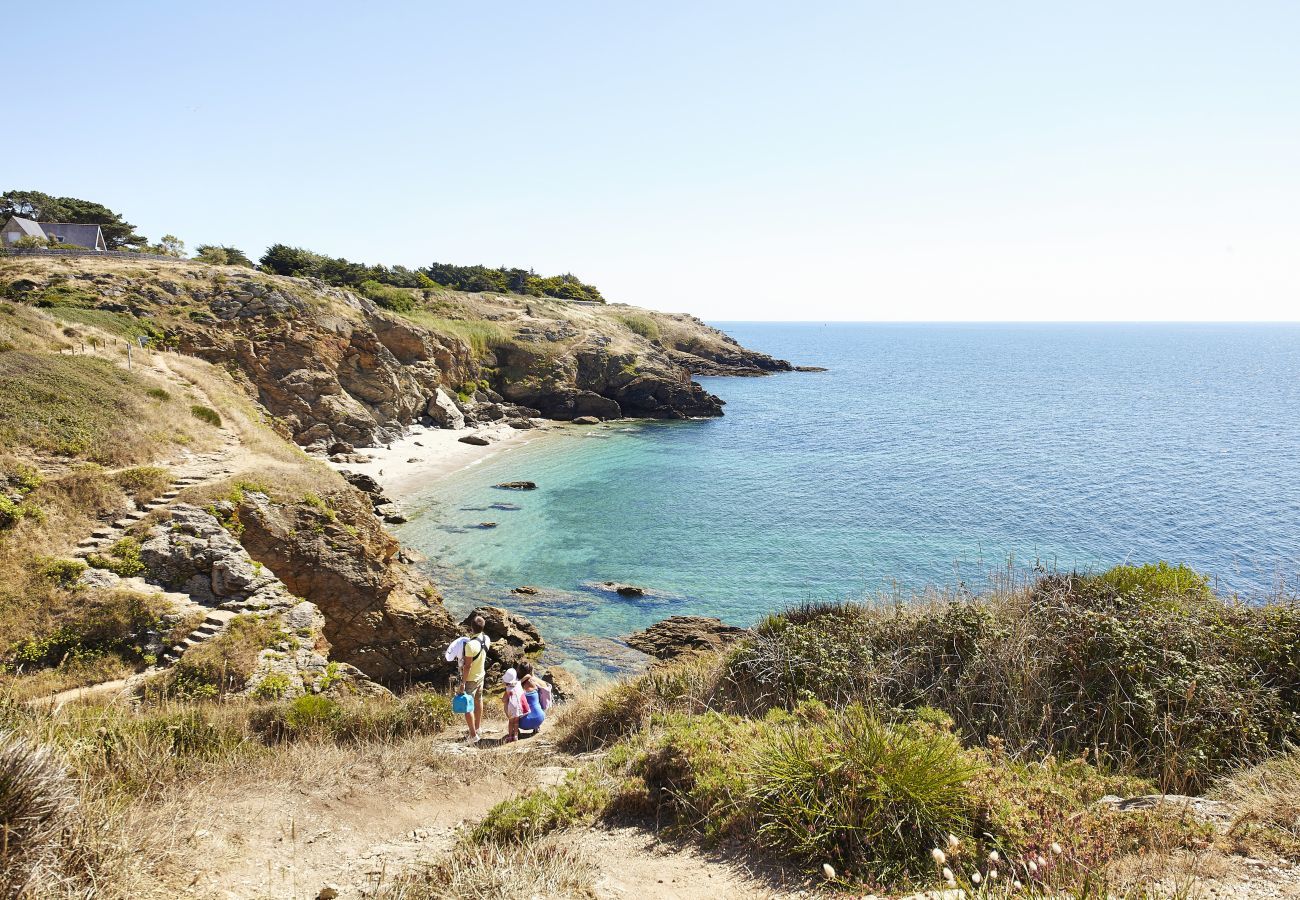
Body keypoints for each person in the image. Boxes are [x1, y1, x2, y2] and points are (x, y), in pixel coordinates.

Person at [444, 616, 491, 742]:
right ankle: (478, 727)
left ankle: (473, 735)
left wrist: (463, 683)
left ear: (471, 627)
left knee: (467, 706)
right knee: (478, 700)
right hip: (481, 675)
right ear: (483, 626)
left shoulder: (470, 645)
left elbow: (468, 666)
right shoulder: (487, 639)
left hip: (470, 679)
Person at [517, 662, 547, 735]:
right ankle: (536, 727)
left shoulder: (516, 686)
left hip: (523, 724)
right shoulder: (536, 682)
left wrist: (523, 679)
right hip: (540, 718)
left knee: (510, 705)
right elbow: (546, 687)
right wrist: (532, 676)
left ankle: (515, 731)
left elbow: (512, 687)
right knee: (537, 699)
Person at [502, 667, 526, 743]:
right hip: (519, 707)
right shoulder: (519, 684)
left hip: (511, 708)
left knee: (511, 722)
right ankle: (516, 736)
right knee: (516, 722)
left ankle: (510, 736)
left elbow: (504, 700)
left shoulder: (508, 689)